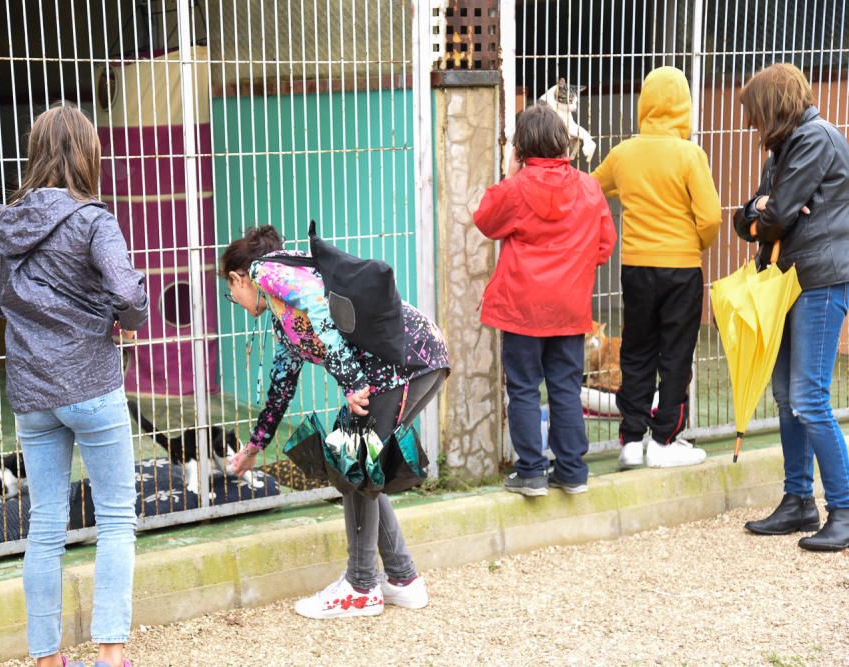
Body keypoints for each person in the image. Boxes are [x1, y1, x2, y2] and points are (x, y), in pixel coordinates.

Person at [222, 225, 449, 619]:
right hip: (413, 361)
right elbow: (281, 385)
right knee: (359, 467)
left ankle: (361, 588)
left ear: (237, 278)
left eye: (231, 293)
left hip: (401, 365)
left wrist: (351, 380)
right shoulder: (282, 318)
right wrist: (254, 447)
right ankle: (401, 579)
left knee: (353, 465)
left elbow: (318, 305)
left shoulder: (266, 271)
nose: (237, 300)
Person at [0, 105, 148, 667]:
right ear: (88, 153)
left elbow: (1, 301)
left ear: (36, 152)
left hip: (33, 394)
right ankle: (110, 657)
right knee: (114, 519)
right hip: (91, 384)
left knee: (46, 524)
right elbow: (128, 294)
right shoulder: (93, 219)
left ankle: (46, 659)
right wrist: (118, 319)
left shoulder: (5, 221)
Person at [733, 63, 849, 551]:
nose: (752, 126)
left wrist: (766, 210)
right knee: (786, 395)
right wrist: (763, 210)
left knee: (807, 397)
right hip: (788, 281)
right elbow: (750, 218)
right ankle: (798, 501)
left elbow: (775, 213)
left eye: (756, 115)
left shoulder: (814, 139)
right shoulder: (786, 146)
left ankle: (842, 508)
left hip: (819, 280)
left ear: (773, 106)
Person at [473, 104, 616, 496]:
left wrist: (508, 172)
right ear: (562, 144)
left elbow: (485, 219)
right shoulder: (588, 187)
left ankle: (531, 471)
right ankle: (571, 470)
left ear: (520, 147)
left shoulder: (516, 187)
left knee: (522, 388)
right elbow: (605, 244)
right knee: (566, 388)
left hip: (522, 309)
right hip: (570, 308)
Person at [591, 66, 722, 469]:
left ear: (643, 104)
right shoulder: (689, 155)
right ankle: (664, 440)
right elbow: (712, 217)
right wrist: (694, 245)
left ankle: (631, 440)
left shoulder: (624, 154)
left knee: (637, 351)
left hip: (636, 269)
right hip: (681, 269)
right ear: (685, 106)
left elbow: (591, 189)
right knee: (676, 354)